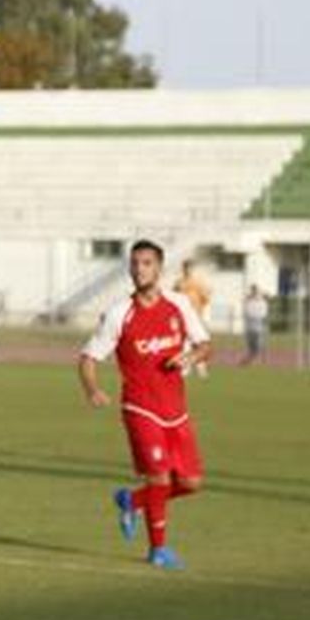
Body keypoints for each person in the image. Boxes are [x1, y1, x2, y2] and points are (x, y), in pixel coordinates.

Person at [77, 240, 212, 571]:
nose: (140, 269)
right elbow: (87, 358)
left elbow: (206, 344)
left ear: (159, 268)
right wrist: (92, 388)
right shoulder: (119, 314)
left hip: (176, 410)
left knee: (191, 483)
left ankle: (132, 501)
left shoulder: (179, 304)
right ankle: (158, 550)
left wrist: (190, 356)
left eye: (147, 263)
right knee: (160, 481)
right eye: (135, 264)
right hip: (140, 409)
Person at [171, 259, 212, 378]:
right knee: (184, 342)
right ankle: (185, 369)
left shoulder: (197, 282)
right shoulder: (179, 283)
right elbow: (173, 298)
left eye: (189, 267)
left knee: (200, 342)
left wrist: (200, 312)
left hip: (196, 315)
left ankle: (201, 368)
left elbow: (205, 298)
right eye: (186, 267)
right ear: (183, 269)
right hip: (181, 316)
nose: (187, 270)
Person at [240, 284, 269, 366]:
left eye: (254, 290)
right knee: (251, 347)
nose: (253, 292)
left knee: (258, 347)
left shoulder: (261, 301)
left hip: (258, 327)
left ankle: (253, 361)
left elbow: (263, 314)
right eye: (252, 290)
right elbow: (246, 312)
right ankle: (247, 361)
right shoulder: (248, 301)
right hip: (250, 327)